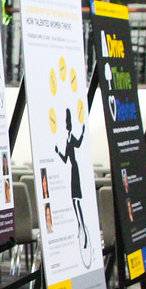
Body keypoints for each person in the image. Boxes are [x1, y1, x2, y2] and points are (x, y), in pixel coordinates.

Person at [54, 108, 89, 253]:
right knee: (74, 201)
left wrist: (83, 132)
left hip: (76, 169)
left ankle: (83, 229)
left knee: (77, 200)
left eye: (68, 122)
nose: (67, 125)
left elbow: (79, 144)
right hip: (71, 170)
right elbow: (65, 159)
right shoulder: (67, 139)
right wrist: (57, 152)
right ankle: (79, 226)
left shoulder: (71, 138)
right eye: (66, 122)